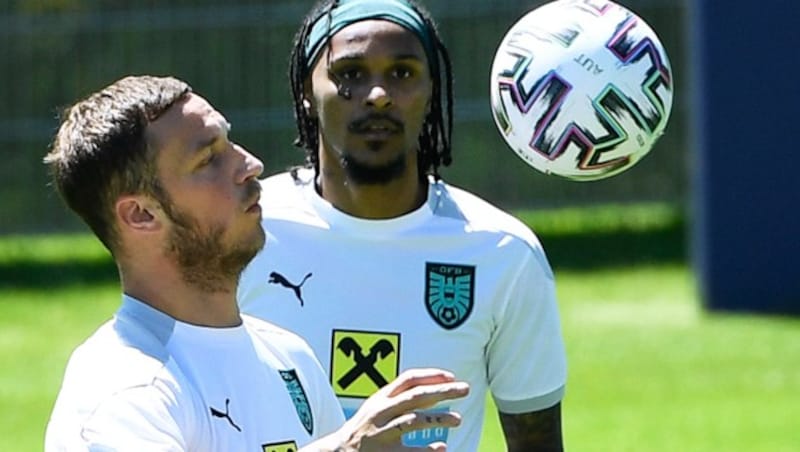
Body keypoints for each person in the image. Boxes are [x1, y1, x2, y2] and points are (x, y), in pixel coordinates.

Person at [44, 75, 469, 451]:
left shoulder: (288, 357)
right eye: (208, 159)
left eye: (229, 142)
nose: (250, 165)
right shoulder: (123, 388)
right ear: (141, 214)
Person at [237, 0, 568, 450]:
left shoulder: (501, 252)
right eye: (350, 74)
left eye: (403, 73)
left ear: (432, 92)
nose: (379, 95)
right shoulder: (238, 230)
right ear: (305, 91)